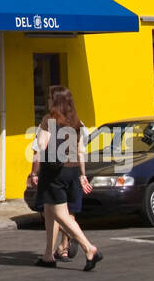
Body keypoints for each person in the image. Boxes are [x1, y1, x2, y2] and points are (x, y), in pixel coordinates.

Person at [29, 86, 102, 271]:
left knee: (61, 214)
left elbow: (41, 146)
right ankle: (48, 255)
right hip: (72, 170)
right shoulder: (75, 122)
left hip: (54, 172)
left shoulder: (49, 120)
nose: (47, 101)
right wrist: (82, 175)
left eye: (49, 98)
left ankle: (89, 248)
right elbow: (79, 151)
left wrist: (35, 172)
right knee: (50, 211)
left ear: (56, 101)